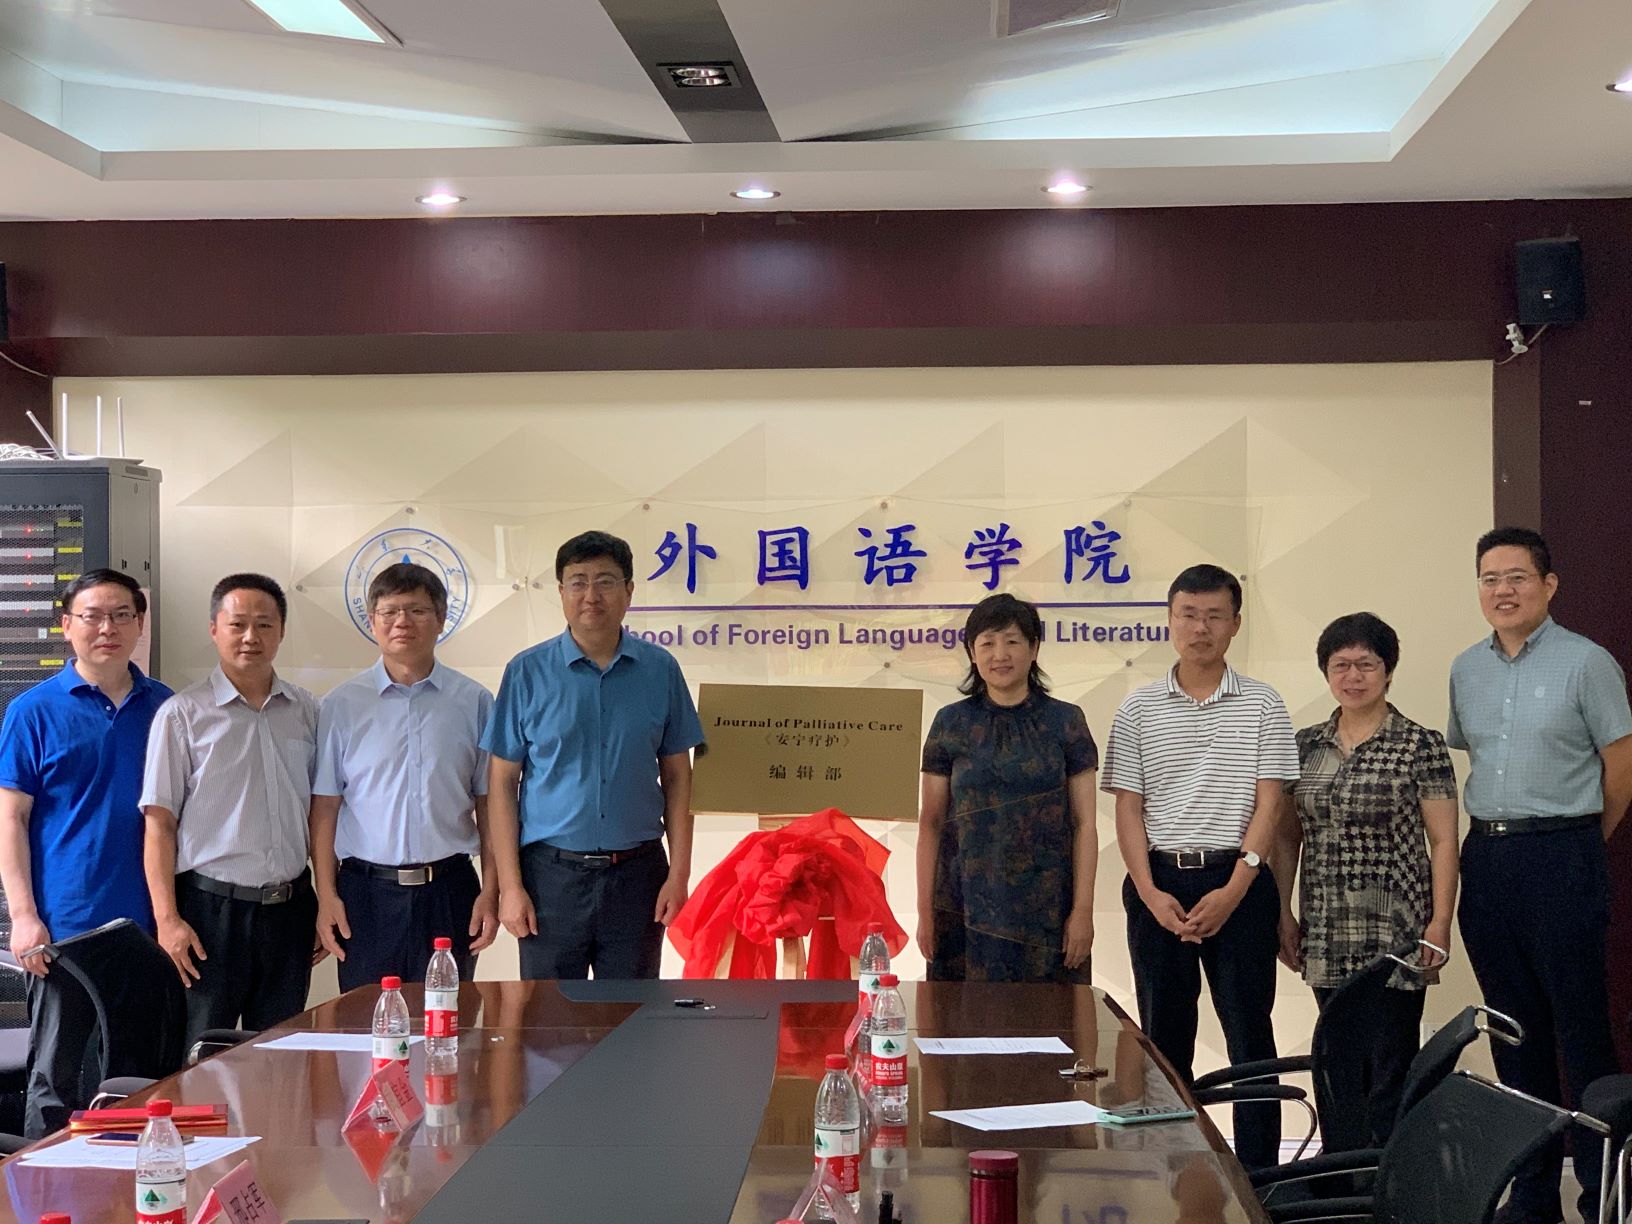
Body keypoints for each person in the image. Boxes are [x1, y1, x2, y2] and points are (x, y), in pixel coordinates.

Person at [1448, 527, 1632, 1224]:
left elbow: (1621, 766)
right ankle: (1531, 1192)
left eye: (1517, 577)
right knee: (1512, 1030)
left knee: (1581, 1030)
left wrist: (1579, 841)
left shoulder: (1587, 662)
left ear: (1549, 585)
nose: (1503, 590)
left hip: (1564, 853)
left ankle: (1600, 1192)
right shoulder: (1467, 668)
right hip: (1488, 860)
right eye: (1490, 578)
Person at [1101, 563, 1298, 1171]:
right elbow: (1128, 808)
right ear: (1169, 621)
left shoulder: (1263, 702)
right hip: (1159, 883)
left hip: (1240, 882)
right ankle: (1174, 1170)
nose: (1200, 628)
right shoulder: (1138, 707)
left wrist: (1236, 887)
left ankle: (1259, 1176)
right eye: (1188, 614)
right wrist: (1148, 890)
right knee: (1164, 1038)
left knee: (1250, 1035)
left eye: (1214, 616)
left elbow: (1271, 805)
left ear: (1235, 624)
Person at [482, 531, 704, 979]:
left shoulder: (660, 670)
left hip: (637, 877)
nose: (591, 595)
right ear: (561, 591)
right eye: (578, 582)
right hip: (550, 880)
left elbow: (679, 777)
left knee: (629, 1014)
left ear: (629, 591)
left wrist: (678, 876)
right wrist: (510, 886)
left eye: (605, 581)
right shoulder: (526, 672)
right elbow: (502, 784)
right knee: (547, 1016)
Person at [0, 570, 174, 1137]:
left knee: (138, 1081)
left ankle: (131, 1185)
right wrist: (23, 916)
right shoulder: (32, 710)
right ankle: (39, 1186)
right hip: (64, 931)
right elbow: (11, 819)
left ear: (140, 624)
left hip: (145, 930)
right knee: (57, 1077)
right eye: (93, 616)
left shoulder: (167, 708)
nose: (108, 628)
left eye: (122, 615)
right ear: (66, 625)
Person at [1278, 612, 1459, 1145]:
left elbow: (1443, 841)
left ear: (1388, 672)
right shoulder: (1305, 745)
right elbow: (1287, 839)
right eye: (1341, 665)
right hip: (1326, 928)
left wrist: (1440, 923)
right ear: (1326, 672)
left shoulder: (1419, 744)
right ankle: (1340, 1178)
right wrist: (1282, 913)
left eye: (1366, 664)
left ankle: (1387, 1179)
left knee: (1389, 1069)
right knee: (1337, 1068)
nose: (1352, 676)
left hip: (1396, 931)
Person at [140, 573, 320, 1043]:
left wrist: (323, 901)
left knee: (281, 1049)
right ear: (214, 629)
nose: (250, 637)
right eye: (237, 624)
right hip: (210, 913)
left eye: (264, 624)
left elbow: (322, 814)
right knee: (203, 1051)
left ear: (281, 632)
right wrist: (167, 920)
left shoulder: (307, 711)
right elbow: (159, 824)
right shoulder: (182, 714)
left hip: (290, 909)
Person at [310, 562, 498, 990]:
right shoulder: (342, 705)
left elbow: (490, 804)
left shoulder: (474, 702)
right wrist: (327, 895)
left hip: (450, 891)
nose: (402, 622)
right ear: (372, 621)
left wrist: (491, 890)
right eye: (389, 611)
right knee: (366, 1019)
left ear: (441, 619)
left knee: (446, 1017)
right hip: (365, 896)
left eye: (417, 610)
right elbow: (325, 807)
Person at [915, 593, 1097, 982]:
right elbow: (931, 823)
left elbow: (1084, 824)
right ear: (972, 652)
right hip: (963, 907)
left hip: (1049, 910)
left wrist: (1083, 911)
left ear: (1034, 649)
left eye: (1012, 641)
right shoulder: (950, 723)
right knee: (962, 1016)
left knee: (1052, 1016)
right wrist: (925, 912)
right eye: (988, 643)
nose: (1000, 654)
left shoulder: (1066, 721)